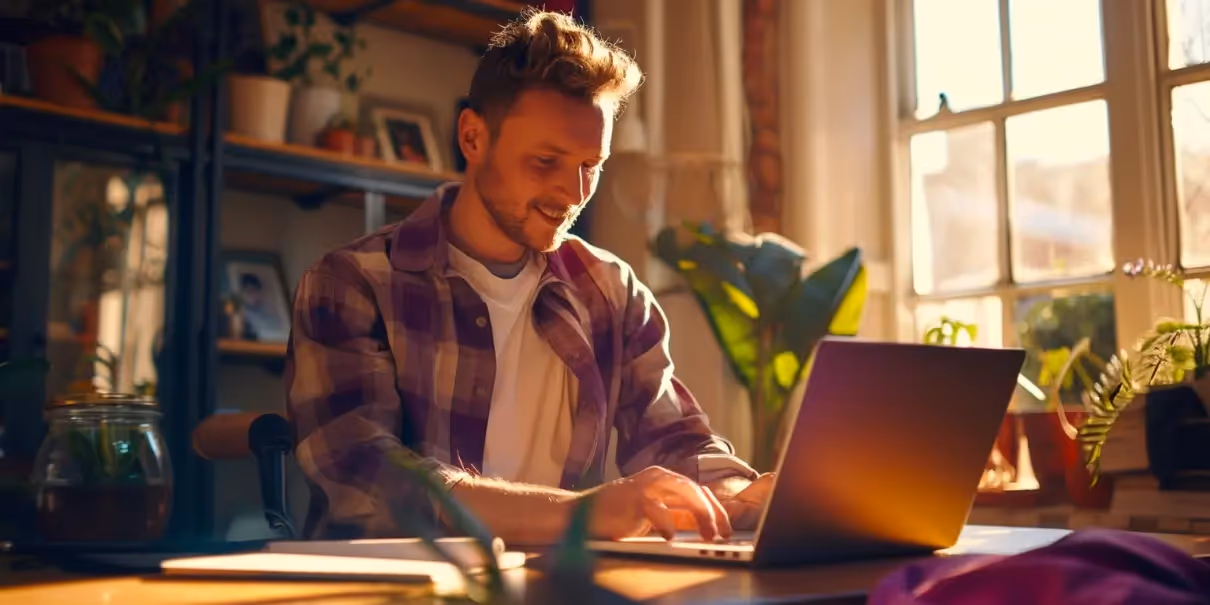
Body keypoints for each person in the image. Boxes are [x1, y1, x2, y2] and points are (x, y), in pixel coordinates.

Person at [285, 8, 774, 545]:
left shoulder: (610, 289)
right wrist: (581, 515)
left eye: (592, 164)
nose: (573, 192)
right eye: (546, 161)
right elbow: (367, 476)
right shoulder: (353, 282)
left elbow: (676, 440)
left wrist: (741, 496)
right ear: (472, 138)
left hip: (555, 588)